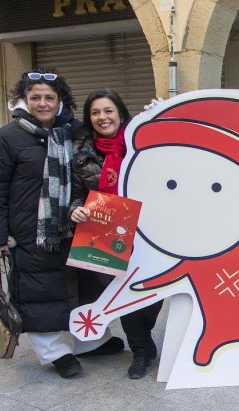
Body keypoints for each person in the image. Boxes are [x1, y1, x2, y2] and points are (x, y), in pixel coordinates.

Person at [0, 69, 123, 379]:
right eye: (35, 97)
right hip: (31, 231)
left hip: (77, 225)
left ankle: (88, 341)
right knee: (41, 289)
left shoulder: (75, 131)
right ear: (25, 100)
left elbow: (114, 135)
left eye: (49, 97)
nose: (42, 103)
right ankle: (55, 352)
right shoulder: (9, 136)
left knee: (81, 287)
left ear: (60, 100)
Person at [70, 88, 164, 379]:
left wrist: (158, 113)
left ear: (120, 113)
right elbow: (76, 196)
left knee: (153, 290)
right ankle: (139, 351)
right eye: (95, 112)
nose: (102, 117)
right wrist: (75, 210)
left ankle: (143, 339)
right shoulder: (83, 157)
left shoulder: (142, 142)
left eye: (108, 110)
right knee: (122, 289)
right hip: (106, 230)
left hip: (151, 228)